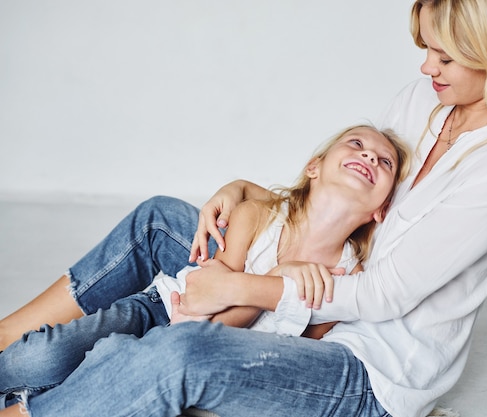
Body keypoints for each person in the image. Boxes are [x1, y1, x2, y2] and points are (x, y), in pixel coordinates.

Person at [0, 0, 487, 416]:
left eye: (444, 57)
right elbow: (340, 184)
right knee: (159, 220)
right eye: (425, 49)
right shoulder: (427, 98)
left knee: (182, 354)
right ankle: (12, 342)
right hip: (298, 273)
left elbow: (384, 295)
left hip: (362, 358)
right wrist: (248, 191)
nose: (427, 69)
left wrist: (242, 287)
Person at [0, 124, 412, 401]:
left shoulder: (346, 277)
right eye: (356, 144)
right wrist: (277, 285)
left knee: (101, 373)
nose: (370, 157)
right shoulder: (257, 217)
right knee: (38, 358)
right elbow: (204, 299)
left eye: (385, 161)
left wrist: (267, 289)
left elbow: (292, 350)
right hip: (165, 310)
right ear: (314, 168)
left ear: (381, 209)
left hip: (205, 357)